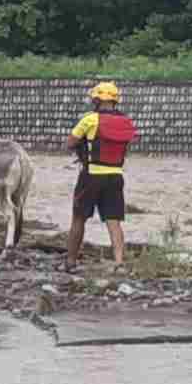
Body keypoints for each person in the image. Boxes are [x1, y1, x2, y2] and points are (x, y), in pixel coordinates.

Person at [64, 82, 138, 271]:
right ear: (115, 101)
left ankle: (71, 262)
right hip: (116, 176)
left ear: (96, 100)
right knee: (114, 221)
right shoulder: (126, 122)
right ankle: (119, 262)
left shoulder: (90, 119)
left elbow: (70, 143)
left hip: (91, 176)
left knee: (79, 218)